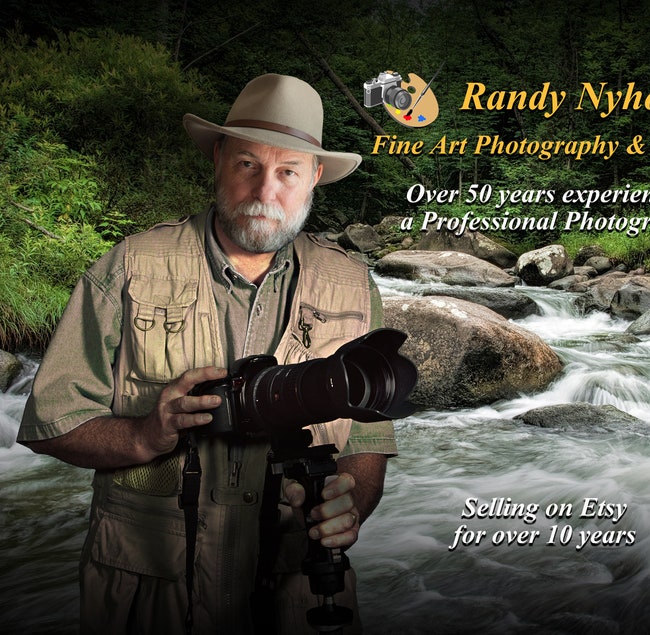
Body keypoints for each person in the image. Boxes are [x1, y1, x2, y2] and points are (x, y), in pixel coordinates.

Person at [17, 73, 397, 634]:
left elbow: (367, 440)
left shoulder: (353, 284)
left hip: (301, 593)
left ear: (316, 176)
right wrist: (144, 435)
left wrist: (349, 506)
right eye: (248, 164)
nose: (267, 191)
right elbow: (50, 422)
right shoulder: (129, 267)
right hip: (150, 592)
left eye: (289, 171)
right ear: (218, 157)